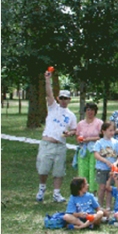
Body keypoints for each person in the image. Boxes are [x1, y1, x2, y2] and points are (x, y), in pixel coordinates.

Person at [36, 70, 78, 203]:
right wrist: (48, 79)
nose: (64, 100)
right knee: (43, 169)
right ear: (59, 98)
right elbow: (49, 94)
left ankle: (56, 193)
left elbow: (74, 130)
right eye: (62, 98)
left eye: (66, 98)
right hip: (47, 143)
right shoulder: (53, 107)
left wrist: (69, 134)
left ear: (69, 100)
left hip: (60, 145)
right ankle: (41, 190)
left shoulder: (71, 115)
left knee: (59, 171)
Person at [93, 122, 118, 210]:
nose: (112, 132)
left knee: (110, 188)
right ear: (103, 131)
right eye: (110, 130)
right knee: (102, 187)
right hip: (101, 168)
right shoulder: (99, 143)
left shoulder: (116, 142)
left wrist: (116, 163)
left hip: (112, 169)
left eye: (113, 130)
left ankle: (108, 207)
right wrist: (105, 161)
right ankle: (99, 205)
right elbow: (96, 154)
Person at [75, 102, 102, 194]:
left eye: (92, 110)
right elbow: (77, 137)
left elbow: (102, 137)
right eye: (88, 110)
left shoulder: (99, 123)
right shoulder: (80, 123)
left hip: (95, 150)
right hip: (83, 150)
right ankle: (82, 190)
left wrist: (89, 139)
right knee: (83, 170)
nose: (90, 112)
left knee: (93, 170)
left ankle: (92, 191)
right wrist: (80, 140)